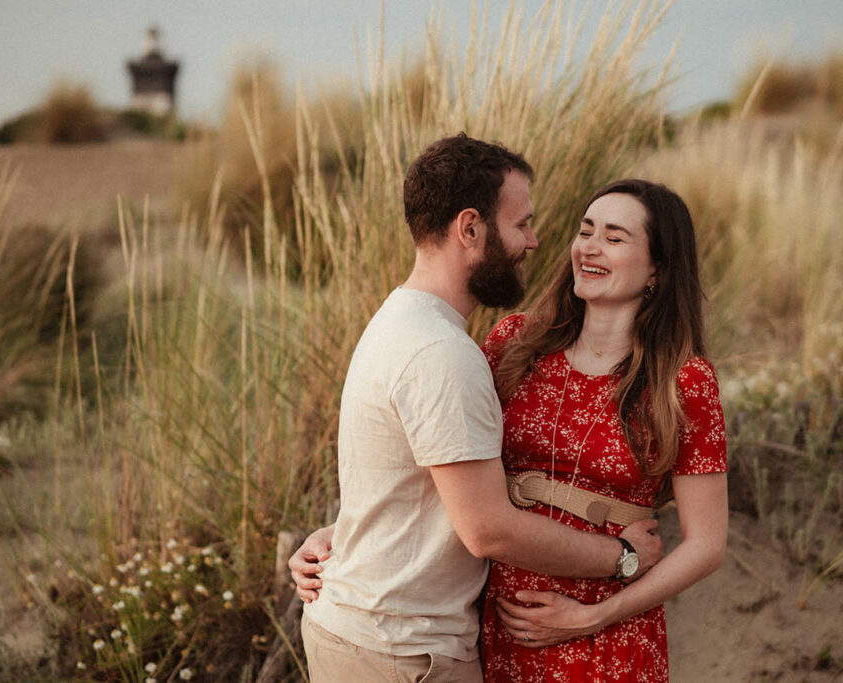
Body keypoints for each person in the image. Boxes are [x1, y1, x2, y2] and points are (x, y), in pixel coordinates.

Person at [289, 135, 661, 683]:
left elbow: (406, 486)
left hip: (364, 633)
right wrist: (622, 559)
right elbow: (488, 530)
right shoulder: (442, 354)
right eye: (521, 224)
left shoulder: (399, 322)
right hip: (403, 653)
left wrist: (343, 535)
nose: (533, 242)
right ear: (470, 228)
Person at [478, 179, 728, 682]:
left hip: (607, 637)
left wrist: (590, 618)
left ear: (657, 267)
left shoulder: (683, 381)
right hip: (498, 623)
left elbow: (706, 545)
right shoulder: (514, 344)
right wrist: (347, 531)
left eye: (615, 238)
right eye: (585, 231)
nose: (589, 247)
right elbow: (444, 464)